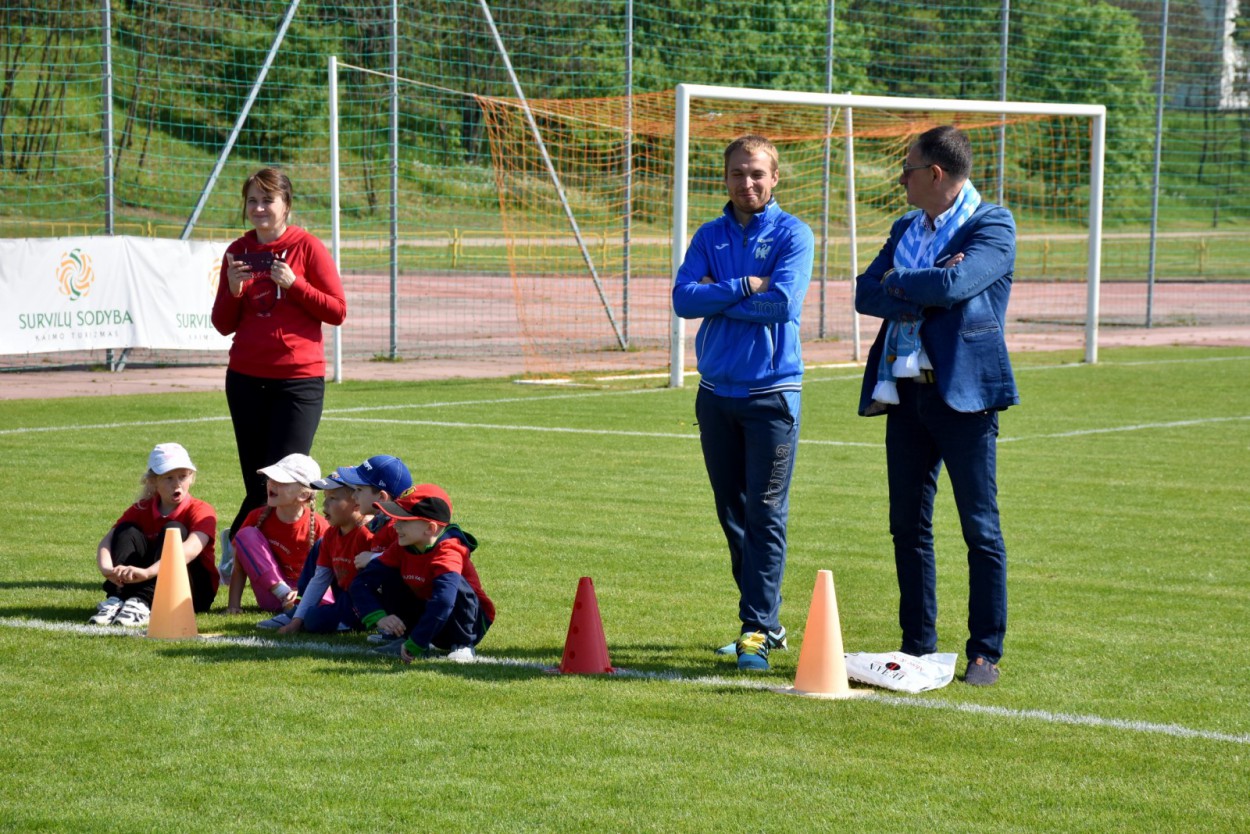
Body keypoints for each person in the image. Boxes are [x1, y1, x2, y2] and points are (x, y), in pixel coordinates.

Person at [854, 125, 1018, 687]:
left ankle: (984, 653)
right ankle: (917, 645)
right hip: (904, 394)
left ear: (936, 174)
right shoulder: (905, 227)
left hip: (965, 397)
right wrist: (921, 281)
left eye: (908, 170)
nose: (901, 179)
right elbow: (865, 293)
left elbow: (955, 287)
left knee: (980, 529)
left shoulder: (992, 224)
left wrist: (900, 282)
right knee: (907, 525)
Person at [672, 134, 814, 671]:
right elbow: (683, 299)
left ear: (774, 178)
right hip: (715, 397)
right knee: (732, 514)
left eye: (757, 173)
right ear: (725, 177)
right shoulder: (709, 235)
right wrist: (745, 285)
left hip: (772, 396)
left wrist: (719, 294)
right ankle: (767, 622)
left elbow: (783, 305)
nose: (747, 182)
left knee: (766, 514)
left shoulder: (793, 233)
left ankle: (755, 628)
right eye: (738, 172)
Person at [211, 167, 347, 585]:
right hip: (246, 380)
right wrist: (233, 289)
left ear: (286, 205)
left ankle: (242, 547)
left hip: (298, 382)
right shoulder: (238, 251)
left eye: (267, 200)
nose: (259, 208)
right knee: (259, 484)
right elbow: (222, 324)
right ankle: (248, 556)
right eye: (252, 200)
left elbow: (337, 311)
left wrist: (296, 284)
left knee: (284, 481)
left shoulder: (307, 247)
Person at [350, 485, 494, 664]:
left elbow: (444, 601)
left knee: (453, 585)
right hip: (431, 619)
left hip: (469, 624)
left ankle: (462, 644)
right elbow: (361, 583)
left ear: (430, 528)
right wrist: (379, 617)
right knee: (389, 574)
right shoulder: (402, 546)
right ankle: (405, 637)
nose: (395, 525)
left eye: (403, 520)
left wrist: (418, 641)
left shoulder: (450, 548)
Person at [90, 443, 218, 627]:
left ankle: (142, 602)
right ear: (153, 481)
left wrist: (148, 572)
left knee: (173, 530)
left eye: (183, 476)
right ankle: (119, 598)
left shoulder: (201, 509)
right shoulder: (142, 508)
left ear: (191, 477)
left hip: (193, 592)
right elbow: (108, 540)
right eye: (168, 478)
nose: (177, 484)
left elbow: (191, 550)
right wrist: (107, 569)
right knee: (126, 529)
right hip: (147, 579)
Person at [226, 453, 330, 623]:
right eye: (271, 478)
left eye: (281, 482)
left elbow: (328, 574)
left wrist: (301, 593)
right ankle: (285, 595)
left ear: (303, 495)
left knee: (328, 601)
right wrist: (233, 605)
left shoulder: (321, 525)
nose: (272, 484)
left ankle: (297, 607)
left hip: (305, 594)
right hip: (271, 595)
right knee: (246, 535)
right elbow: (239, 566)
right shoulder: (256, 517)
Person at [273, 468, 374, 635]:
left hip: (363, 602)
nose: (325, 504)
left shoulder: (367, 535)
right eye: (325, 497)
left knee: (314, 619)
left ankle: (358, 621)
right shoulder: (331, 535)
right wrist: (297, 621)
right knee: (311, 617)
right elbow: (319, 579)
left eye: (333, 498)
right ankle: (299, 610)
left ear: (357, 502)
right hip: (344, 597)